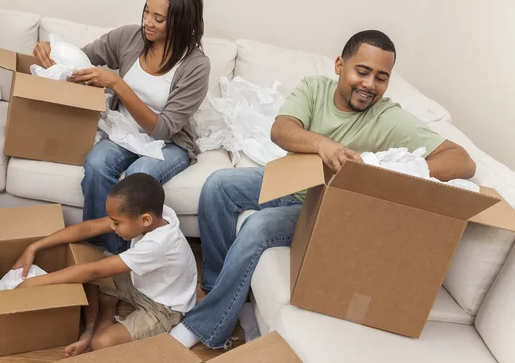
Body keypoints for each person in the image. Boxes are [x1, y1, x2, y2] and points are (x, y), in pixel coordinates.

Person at [169, 30, 477, 349]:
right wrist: (323, 145)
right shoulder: (314, 89)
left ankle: (207, 326)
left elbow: (462, 161)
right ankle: (219, 287)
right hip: (294, 183)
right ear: (340, 65)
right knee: (219, 184)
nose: (370, 84)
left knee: (257, 226)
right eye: (362, 71)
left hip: (324, 205)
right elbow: (281, 130)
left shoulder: (389, 117)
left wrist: (388, 170)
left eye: (381, 77)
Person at [32, 0, 210, 256]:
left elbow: (163, 129)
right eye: (146, 11)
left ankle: (123, 260)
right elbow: (82, 58)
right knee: (96, 164)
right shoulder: (130, 37)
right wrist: (49, 51)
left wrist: (118, 84)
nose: (148, 22)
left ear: (182, 22)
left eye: (159, 18)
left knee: (139, 179)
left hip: (170, 142)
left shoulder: (196, 66)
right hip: (124, 130)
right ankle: (99, 254)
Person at [12, 173, 197, 357]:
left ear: (145, 220)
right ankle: (94, 324)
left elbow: (92, 272)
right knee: (87, 264)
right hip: (142, 281)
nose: (113, 228)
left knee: (101, 343)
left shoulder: (158, 245)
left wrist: (32, 283)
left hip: (163, 308)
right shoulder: (154, 214)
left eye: (117, 223)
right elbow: (89, 228)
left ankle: (104, 312)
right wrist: (34, 247)